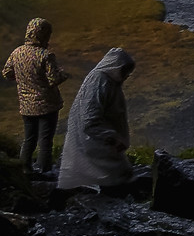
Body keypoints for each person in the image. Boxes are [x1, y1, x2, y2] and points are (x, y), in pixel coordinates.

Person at [57, 48, 135, 190]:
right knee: (111, 172)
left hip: (104, 137)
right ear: (115, 66)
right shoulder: (99, 81)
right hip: (96, 138)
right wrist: (111, 138)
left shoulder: (111, 82)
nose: (127, 75)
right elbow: (90, 118)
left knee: (114, 173)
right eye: (125, 71)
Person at [3, 18, 66, 177]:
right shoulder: (46, 55)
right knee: (45, 140)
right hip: (47, 104)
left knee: (29, 138)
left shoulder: (17, 52)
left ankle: (24, 169)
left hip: (26, 105)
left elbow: (7, 73)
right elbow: (54, 80)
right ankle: (45, 170)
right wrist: (64, 75)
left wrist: (24, 80)